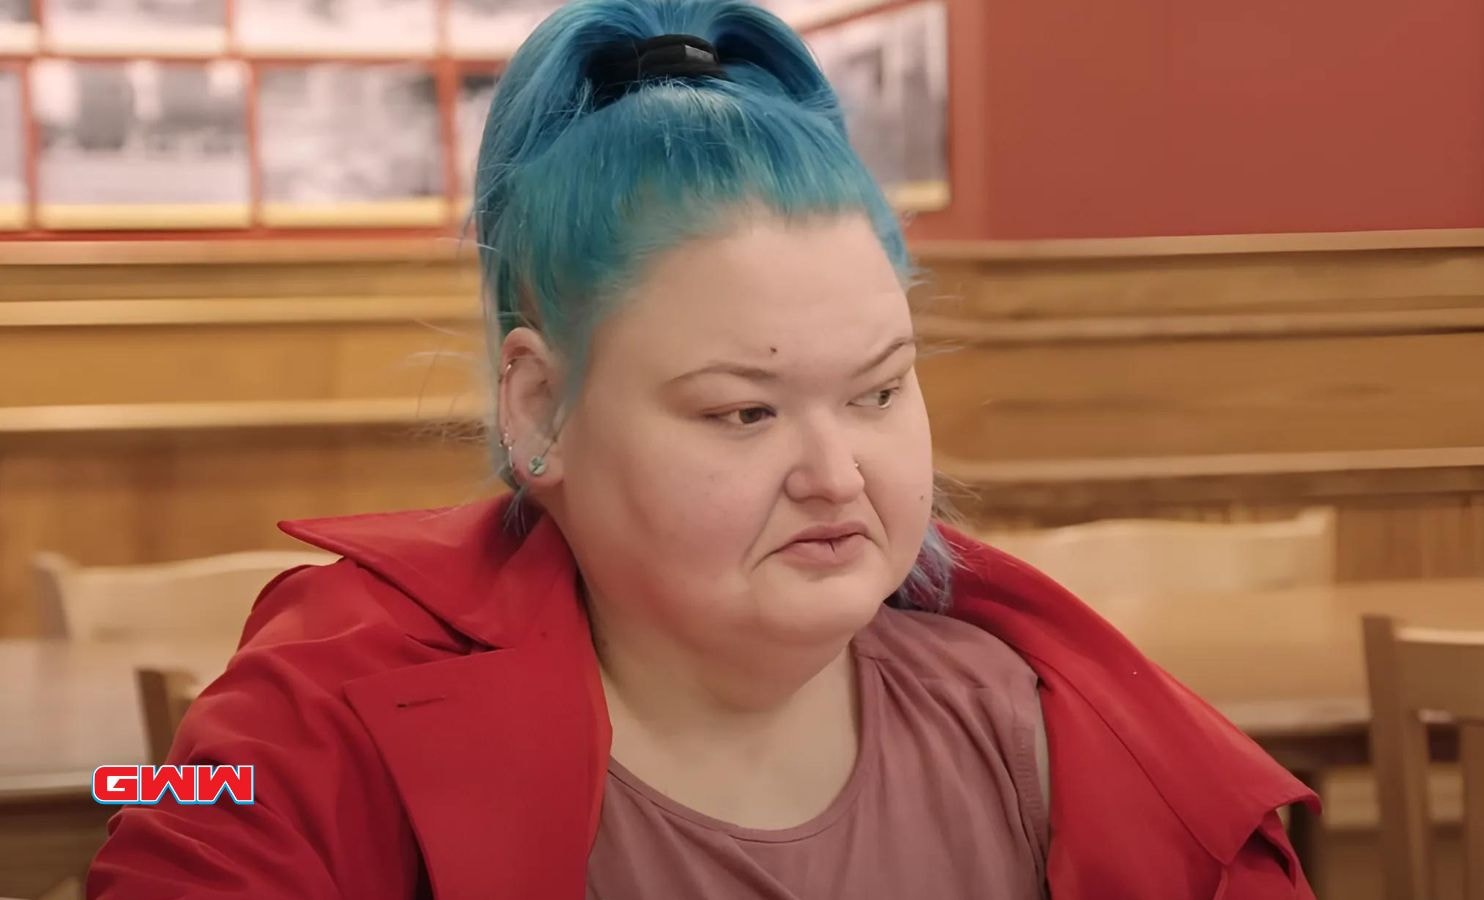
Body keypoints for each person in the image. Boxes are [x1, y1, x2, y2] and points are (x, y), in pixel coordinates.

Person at [87, 1, 1317, 897]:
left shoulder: (1037, 727)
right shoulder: (318, 711)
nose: (836, 472)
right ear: (535, 410)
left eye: (880, 393)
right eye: (744, 412)